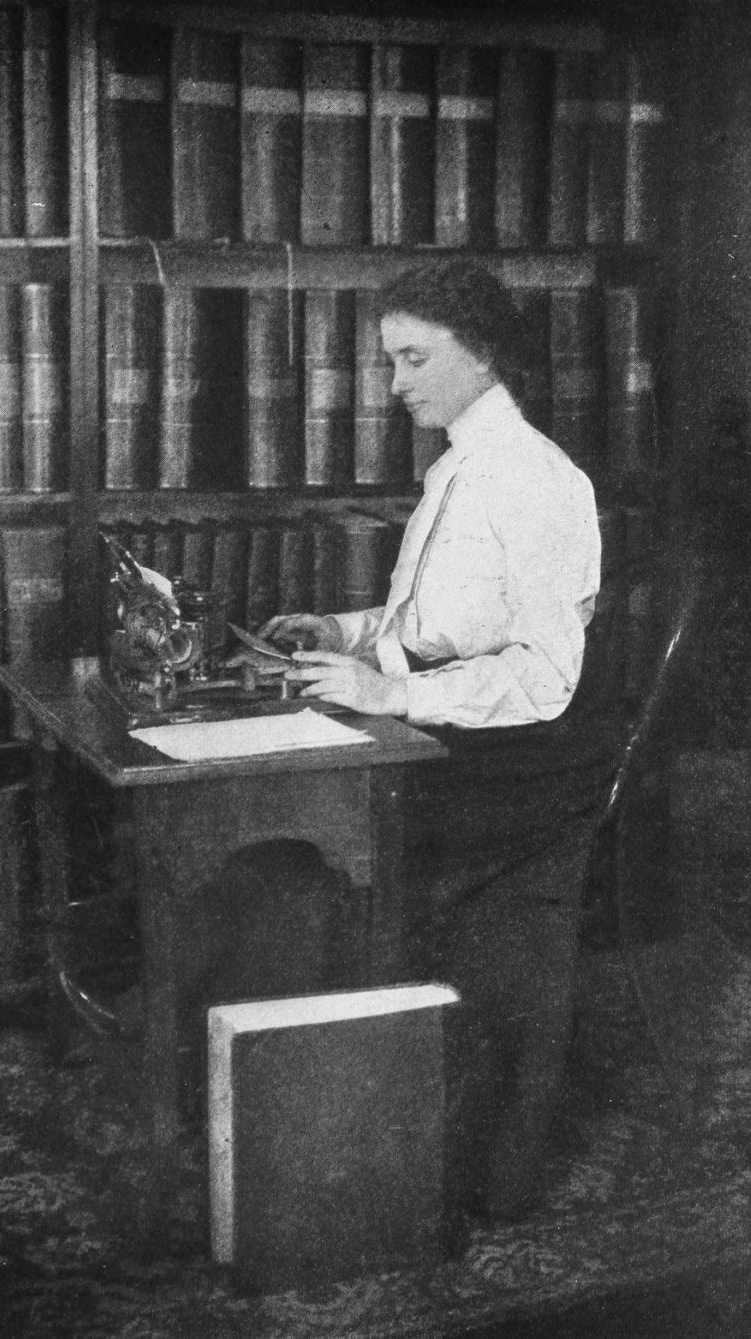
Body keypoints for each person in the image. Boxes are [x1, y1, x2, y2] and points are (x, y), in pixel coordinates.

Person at [261, 258, 619, 1221]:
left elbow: (546, 676)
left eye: (414, 358)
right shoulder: (460, 466)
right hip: (463, 741)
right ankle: (319, 1134)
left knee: (309, 861)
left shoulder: (539, 481)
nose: (396, 384)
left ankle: (380, 1161)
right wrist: (344, 630)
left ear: (483, 354)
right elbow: (433, 618)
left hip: (527, 769)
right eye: (390, 362)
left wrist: (393, 689)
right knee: (301, 837)